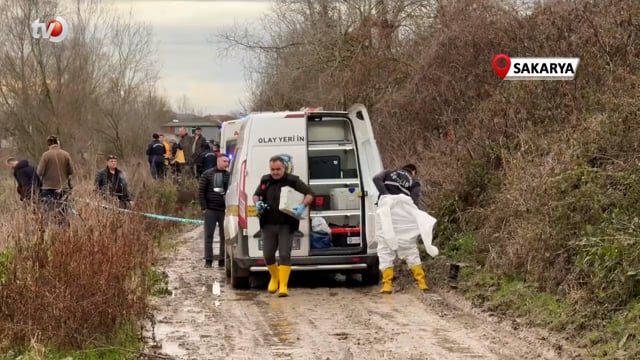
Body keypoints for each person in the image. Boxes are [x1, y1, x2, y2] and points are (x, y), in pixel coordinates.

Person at [252, 154, 313, 297]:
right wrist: (257, 203)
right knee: (268, 255)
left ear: (284, 168)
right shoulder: (265, 180)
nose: (275, 172)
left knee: (284, 254)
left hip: (287, 224)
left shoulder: (293, 180)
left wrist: (302, 206)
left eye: (278, 169)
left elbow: (309, 194)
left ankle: (283, 286)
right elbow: (256, 195)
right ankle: (274, 277)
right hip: (268, 224)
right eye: (272, 169)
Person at [372, 164, 438, 294]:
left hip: (387, 215)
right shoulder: (414, 182)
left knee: (385, 248)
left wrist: (386, 195)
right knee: (410, 249)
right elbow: (414, 200)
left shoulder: (387, 172)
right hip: (404, 219)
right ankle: (421, 283)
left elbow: (375, 179)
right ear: (413, 172)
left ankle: (387, 285)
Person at [198, 154, 231, 268]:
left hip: (224, 211)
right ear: (218, 161)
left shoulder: (229, 176)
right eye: (224, 161)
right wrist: (204, 208)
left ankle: (222, 259)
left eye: (228, 162)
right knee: (209, 236)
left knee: (224, 236)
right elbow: (201, 192)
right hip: (210, 210)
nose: (226, 164)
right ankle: (208, 260)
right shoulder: (207, 174)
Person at [37, 135, 74, 223]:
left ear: (48, 144)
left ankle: (50, 231)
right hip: (63, 188)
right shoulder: (66, 154)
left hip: (48, 188)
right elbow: (71, 171)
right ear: (58, 142)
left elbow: (39, 172)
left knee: (48, 213)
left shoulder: (45, 155)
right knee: (63, 212)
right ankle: (64, 231)